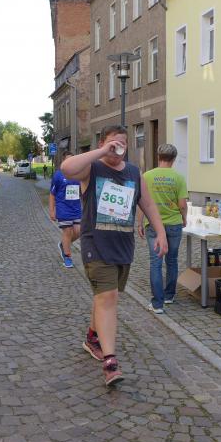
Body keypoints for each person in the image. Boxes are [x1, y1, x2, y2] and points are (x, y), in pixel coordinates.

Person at [61, 125, 168, 386]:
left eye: (122, 143)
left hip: (123, 246)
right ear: (102, 143)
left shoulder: (133, 172)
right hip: (96, 245)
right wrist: (101, 152)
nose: (118, 147)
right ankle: (110, 362)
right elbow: (67, 168)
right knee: (108, 297)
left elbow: (147, 203)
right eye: (113, 142)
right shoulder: (92, 168)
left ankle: (92, 338)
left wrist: (161, 232)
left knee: (104, 297)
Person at [136, 144, 188, 314]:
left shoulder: (147, 176)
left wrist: (139, 222)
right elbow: (182, 204)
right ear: (174, 159)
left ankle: (157, 304)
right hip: (173, 224)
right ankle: (169, 295)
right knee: (172, 260)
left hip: (153, 225)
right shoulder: (179, 178)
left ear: (158, 157)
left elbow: (141, 202)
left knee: (155, 263)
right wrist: (184, 218)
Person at [50, 150, 82, 268]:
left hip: (76, 208)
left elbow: (82, 191)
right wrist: (52, 210)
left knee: (78, 231)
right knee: (67, 231)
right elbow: (52, 194)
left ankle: (64, 244)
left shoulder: (79, 174)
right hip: (63, 207)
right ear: (63, 162)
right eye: (68, 160)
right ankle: (67, 257)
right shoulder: (58, 175)